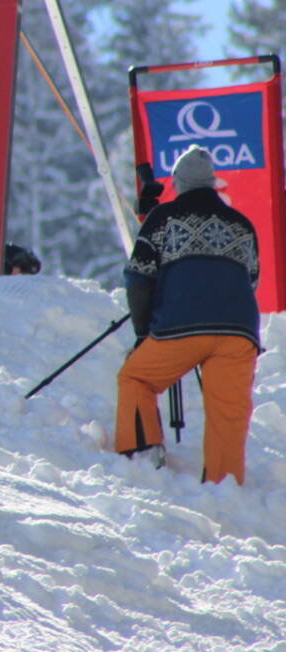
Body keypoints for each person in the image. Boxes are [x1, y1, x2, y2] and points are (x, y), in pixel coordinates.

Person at [114, 144, 260, 485]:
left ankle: (144, 451)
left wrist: (143, 331)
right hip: (239, 330)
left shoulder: (162, 218)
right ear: (212, 184)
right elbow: (251, 278)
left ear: (177, 183)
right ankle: (224, 488)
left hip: (181, 327)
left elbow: (138, 276)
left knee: (136, 378)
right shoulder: (242, 224)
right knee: (228, 413)